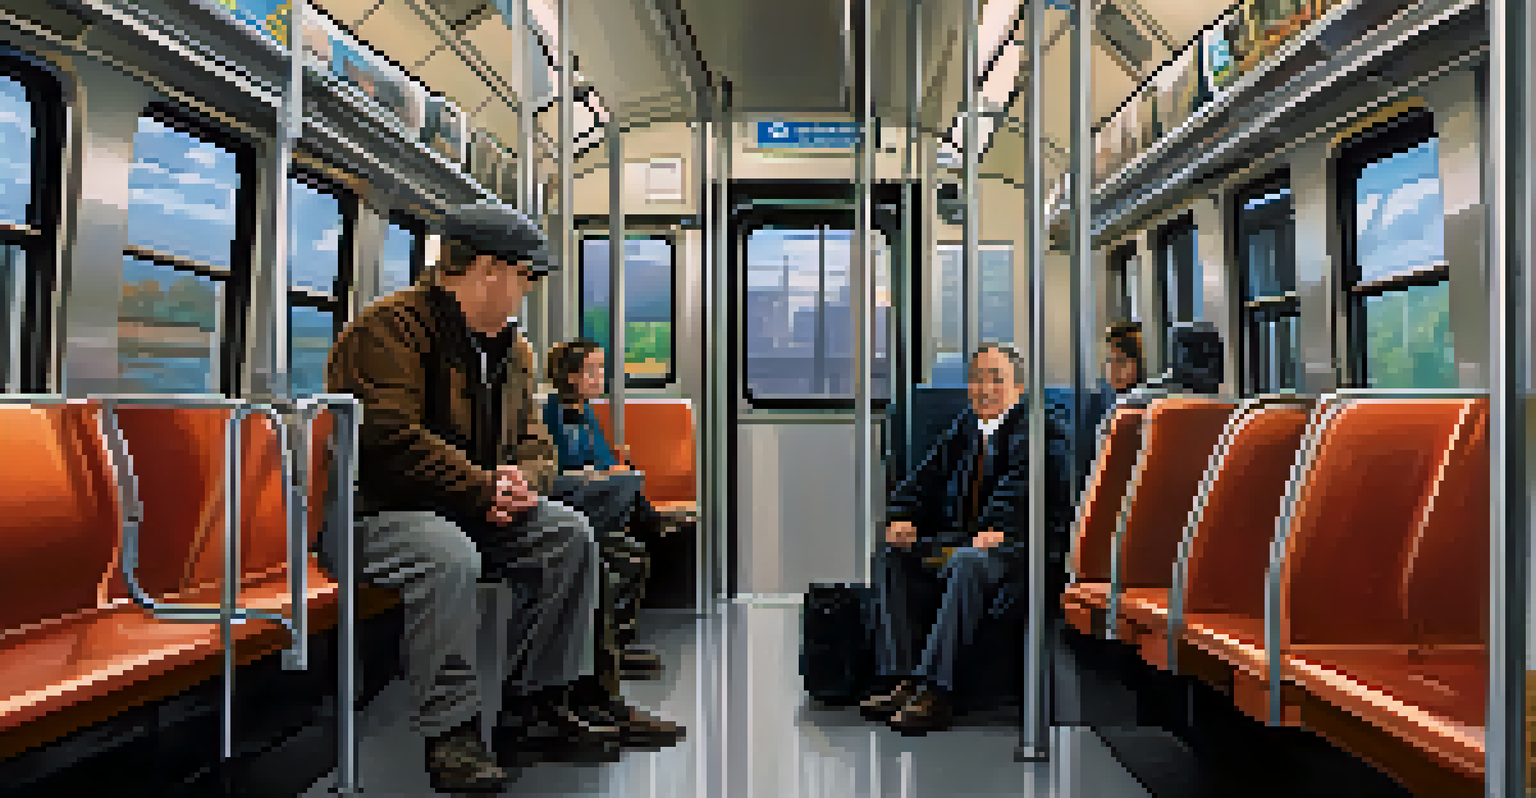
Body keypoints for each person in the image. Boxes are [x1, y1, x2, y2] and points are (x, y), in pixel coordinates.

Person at [323, 204, 681, 793]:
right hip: (379, 513)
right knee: (447, 557)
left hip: (474, 505)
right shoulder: (386, 332)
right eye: (525, 277)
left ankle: (542, 706)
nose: (527, 292)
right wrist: (481, 487)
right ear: (487, 269)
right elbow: (388, 438)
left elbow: (535, 443)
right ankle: (454, 733)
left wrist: (524, 484)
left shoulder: (511, 352)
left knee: (568, 535)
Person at [859, 343, 1043, 735]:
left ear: (1019, 388)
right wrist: (902, 516)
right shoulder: (964, 428)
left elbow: (1026, 487)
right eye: (977, 378)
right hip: (963, 539)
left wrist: (998, 525)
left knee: (966, 562)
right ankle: (901, 678)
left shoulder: (1038, 428)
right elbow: (922, 481)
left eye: (997, 378)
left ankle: (936, 692)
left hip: (1014, 546)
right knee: (893, 555)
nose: (985, 388)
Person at [542, 338, 684, 678]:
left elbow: (604, 458)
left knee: (634, 556)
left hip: (591, 494)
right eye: (594, 370)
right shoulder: (549, 414)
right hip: (567, 498)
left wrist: (609, 471)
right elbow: (553, 467)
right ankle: (649, 519)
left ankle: (617, 646)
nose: (600, 377)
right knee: (627, 485)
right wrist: (602, 473)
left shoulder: (588, 414)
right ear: (573, 378)